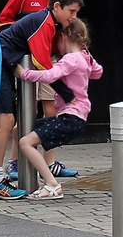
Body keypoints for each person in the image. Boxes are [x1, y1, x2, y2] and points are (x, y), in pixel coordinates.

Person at [0, 0, 84, 198]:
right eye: (72, 11)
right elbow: (42, 64)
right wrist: (68, 94)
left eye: (77, 12)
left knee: (5, 120)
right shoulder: (45, 22)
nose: (74, 16)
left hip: (8, 62)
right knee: (5, 119)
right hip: (1, 62)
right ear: (57, 6)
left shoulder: (50, 21)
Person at [17, 18, 103, 200]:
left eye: (56, 40)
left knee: (25, 142)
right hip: (76, 118)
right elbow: (98, 72)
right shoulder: (84, 57)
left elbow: (50, 75)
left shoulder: (71, 59)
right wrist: (89, 58)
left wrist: (24, 73)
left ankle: (52, 185)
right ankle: (22, 169)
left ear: (65, 36)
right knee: (24, 128)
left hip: (69, 118)